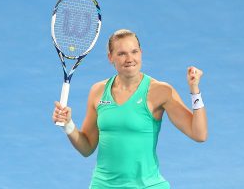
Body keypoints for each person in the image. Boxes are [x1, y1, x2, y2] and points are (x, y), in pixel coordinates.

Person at [52, 29, 208, 188]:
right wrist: (68, 125)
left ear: (141, 53)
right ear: (110, 57)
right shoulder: (97, 92)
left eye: (134, 51)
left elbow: (199, 134)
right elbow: (87, 148)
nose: (130, 59)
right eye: (121, 54)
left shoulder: (160, 91)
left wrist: (194, 89)